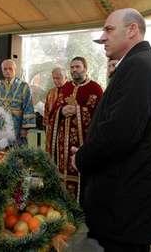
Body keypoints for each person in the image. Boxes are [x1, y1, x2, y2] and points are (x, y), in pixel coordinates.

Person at [71, 8, 151, 252]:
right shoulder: (141, 64)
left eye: (108, 29)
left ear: (132, 29)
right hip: (126, 205)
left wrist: (81, 158)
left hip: (126, 206)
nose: (102, 37)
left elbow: (119, 134)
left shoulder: (139, 67)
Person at [46, 58, 103, 201]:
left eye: (77, 67)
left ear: (85, 68)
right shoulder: (66, 88)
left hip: (82, 143)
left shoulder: (95, 88)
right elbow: (53, 113)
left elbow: (100, 117)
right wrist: (62, 111)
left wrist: (78, 110)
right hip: (62, 146)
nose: (74, 70)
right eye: (72, 67)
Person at [0, 59, 36, 144]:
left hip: (17, 126)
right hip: (0, 126)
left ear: (15, 70)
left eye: (10, 69)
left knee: (16, 154)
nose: (7, 71)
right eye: (5, 69)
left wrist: (24, 128)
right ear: (2, 70)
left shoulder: (24, 87)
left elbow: (28, 108)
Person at [43, 67, 68, 152]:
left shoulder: (70, 91)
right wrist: (47, 127)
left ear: (66, 78)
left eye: (58, 78)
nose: (55, 80)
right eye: (54, 78)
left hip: (65, 129)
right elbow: (46, 110)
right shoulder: (50, 93)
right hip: (51, 129)